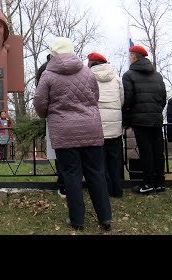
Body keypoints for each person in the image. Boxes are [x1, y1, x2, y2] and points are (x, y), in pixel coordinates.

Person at [34, 37, 112, 231]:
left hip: (64, 131)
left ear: (52, 54)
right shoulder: (87, 71)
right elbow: (95, 97)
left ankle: (77, 220)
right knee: (96, 173)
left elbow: (39, 103)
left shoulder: (48, 75)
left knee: (71, 175)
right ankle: (105, 217)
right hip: (91, 128)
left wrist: (49, 114)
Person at [122, 45, 167, 194]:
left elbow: (128, 100)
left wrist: (127, 118)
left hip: (140, 120)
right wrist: (155, 111)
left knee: (146, 151)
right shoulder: (158, 75)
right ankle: (160, 183)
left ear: (134, 57)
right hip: (155, 118)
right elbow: (163, 99)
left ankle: (148, 184)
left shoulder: (129, 75)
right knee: (158, 151)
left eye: (130, 56)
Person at [87, 52, 124, 198]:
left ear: (91, 63)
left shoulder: (88, 77)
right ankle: (117, 189)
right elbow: (121, 99)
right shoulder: (115, 78)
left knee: (100, 160)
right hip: (115, 125)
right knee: (115, 159)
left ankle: (105, 189)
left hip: (97, 125)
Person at [35, 53, 63, 197]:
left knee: (59, 150)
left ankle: (62, 183)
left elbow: (39, 95)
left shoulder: (43, 70)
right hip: (78, 117)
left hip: (54, 116)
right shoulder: (78, 68)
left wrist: (44, 113)